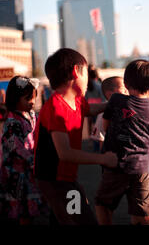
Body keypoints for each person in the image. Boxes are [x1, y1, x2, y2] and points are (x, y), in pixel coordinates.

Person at [33, 48, 118, 225]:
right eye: (86, 72)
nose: (89, 78)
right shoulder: (56, 108)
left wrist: (112, 104)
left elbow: (90, 109)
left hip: (66, 177)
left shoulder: (77, 100)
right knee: (81, 219)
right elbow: (65, 153)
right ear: (76, 71)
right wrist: (103, 159)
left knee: (65, 216)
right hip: (54, 179)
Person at [95, 60, 149, 225]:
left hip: (116, 165)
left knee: (102, 204)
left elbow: (105, 125)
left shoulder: (117, 100)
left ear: (125, 83)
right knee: (141, 214)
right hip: (141, 168)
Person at [0, 76, 47, 224]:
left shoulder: (31, 115)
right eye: (28, 98)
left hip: (29, 169)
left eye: (33, 97)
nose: (32, 102)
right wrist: (31, 159)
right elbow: (14, 145)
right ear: (15, 98)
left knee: (29, 208)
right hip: (16, 172)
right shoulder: (11, 121)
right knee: (20, 209)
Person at [90, 77, 128, 152]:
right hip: (113, 156)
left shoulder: (130, 110)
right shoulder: (102, 115)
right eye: (124, 89)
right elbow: (101, 139)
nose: (127, 91)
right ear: (111, 94)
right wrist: (104, 158)